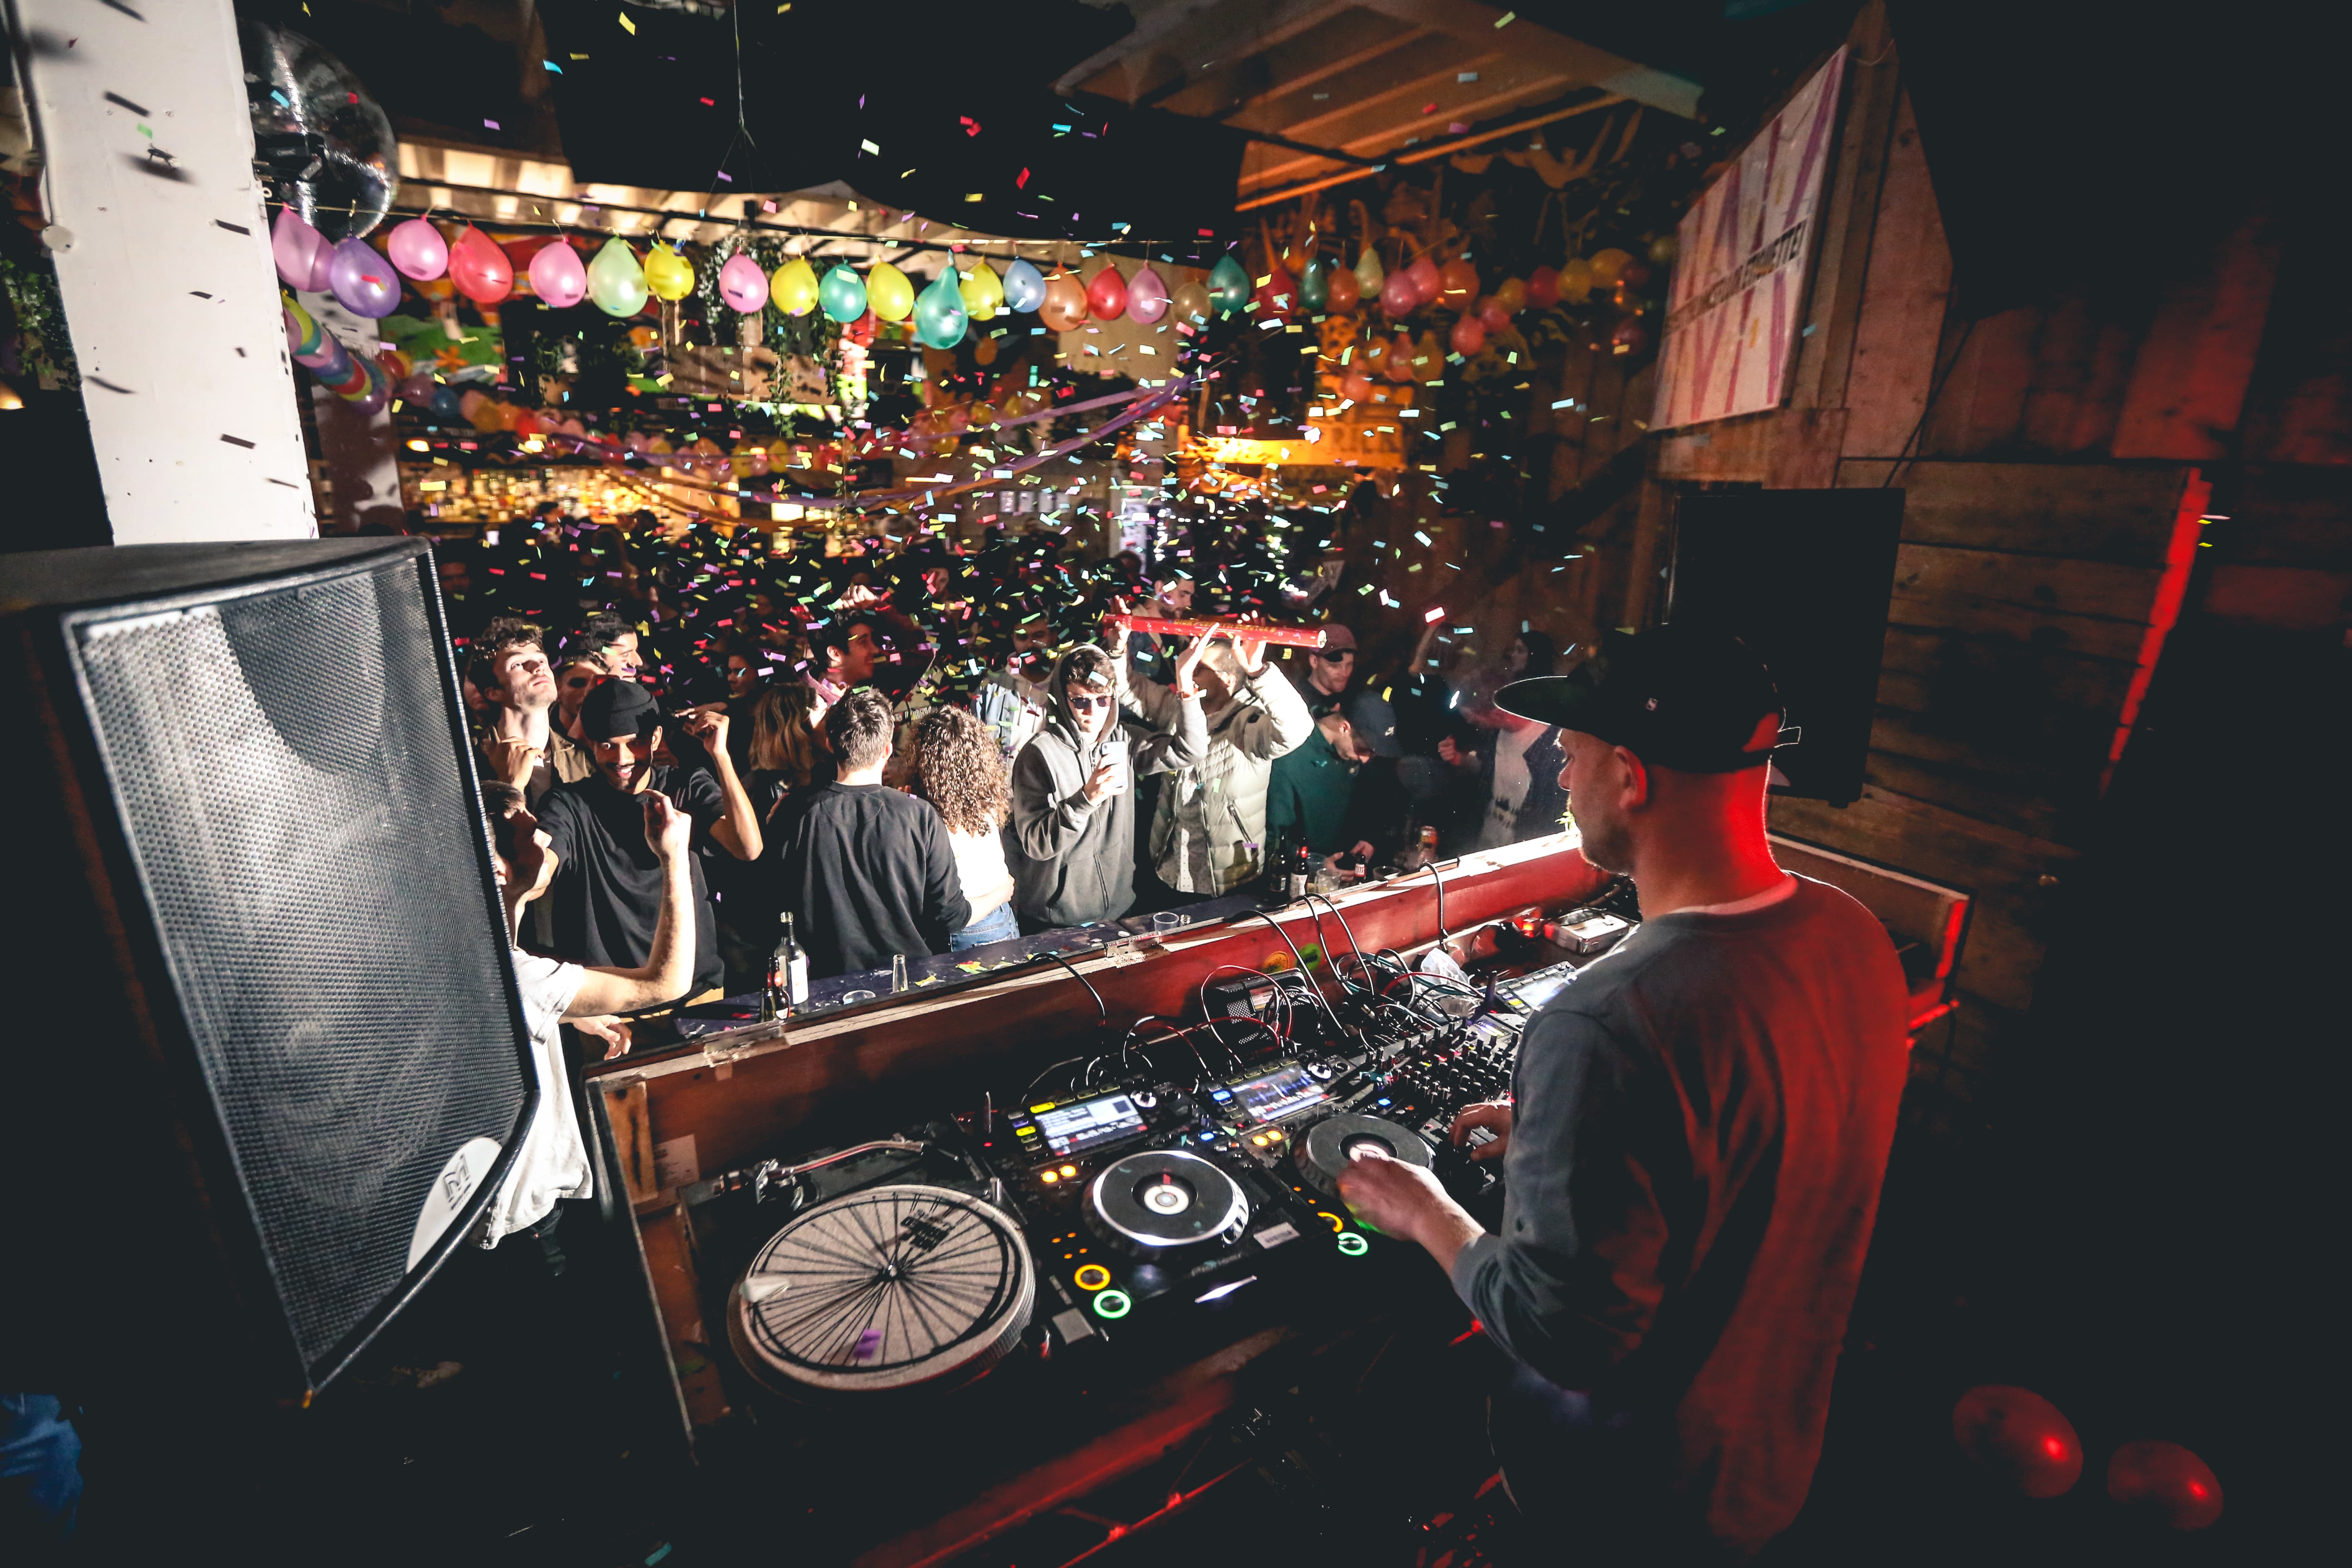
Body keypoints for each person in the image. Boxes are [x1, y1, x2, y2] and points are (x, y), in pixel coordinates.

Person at [1334, 626, 1911, 1563]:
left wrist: (1425, 1210)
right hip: (1774, 1446)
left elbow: (1560, 1336)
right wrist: (1563, 1132)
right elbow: (1757, 1129)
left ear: (1632, 778)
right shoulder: (1850, 934)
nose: (1561, 778)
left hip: (1627, 1498)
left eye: (1575, 755)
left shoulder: (1604, 1023)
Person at [473, 780, 698, 1261]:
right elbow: (665, 983)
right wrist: (674, 857)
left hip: (495, 1218)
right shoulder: (515, 976)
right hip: (522, 1230)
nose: (546, 836)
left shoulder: (474, 952)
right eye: (530, 834)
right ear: (498, 870)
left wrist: (564, 1016)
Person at [534, 679, 761, 1005]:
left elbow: (748, 847)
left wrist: (721, 757)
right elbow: (542, 870)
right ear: (592, 743)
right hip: (611, 1005)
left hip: (695, 993)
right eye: (608, 745)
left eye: (635, 742)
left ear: (655, 738)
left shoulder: (686, 786)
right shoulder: (569, 804)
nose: (622, 757)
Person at [1008, 638, 1207, 929]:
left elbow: (1190, 751)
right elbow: (1037, 844)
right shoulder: (1039, 753)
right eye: (1081, 701)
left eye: (1103, 700)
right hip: (1058, 918)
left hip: (1119, 906)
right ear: (1063, 698)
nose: (1093, 712)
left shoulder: (1122, 739)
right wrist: (1085, 800)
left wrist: (1186, 686)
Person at [769, 689, 969, 978]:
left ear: (830, 744)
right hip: (907, 981)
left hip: (822, 984)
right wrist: (1000, 893)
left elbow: (771, 904)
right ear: (887, 749)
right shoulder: (920, 816)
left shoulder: (794, 813)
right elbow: (950, 917)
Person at [1120, 625, 1314, 898]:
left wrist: (1259, 672)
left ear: (1228, 680)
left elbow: (1296, 729)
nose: (1186, 671)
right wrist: (1117, 649)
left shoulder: (1248, 722)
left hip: (1229, 875)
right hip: (1171, 868)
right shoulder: (1179, 709)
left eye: (1198, 668)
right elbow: (1128, 688)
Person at [912, 707, 1020, 951]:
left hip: (969, 927)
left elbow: (949, 913)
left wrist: (1002, 893)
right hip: (1000, 917)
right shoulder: (985, 801)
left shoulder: (937, 820)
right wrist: (1002, 892)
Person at [1265, 687, 1401, 869]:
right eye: (1363, 749)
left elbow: (1375, 805)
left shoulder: (1355, 755)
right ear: (1344, 727)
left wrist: (1370, 838)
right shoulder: (1291, 758)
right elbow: (1273, 838)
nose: (1366, 759)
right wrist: (1316, 865)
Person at [466, 617, 592, 809]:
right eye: (517, 664)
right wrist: (508, 786)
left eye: (542, 660)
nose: (538, 667)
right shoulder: (466, 760)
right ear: (494, 692)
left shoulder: (584, 762)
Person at [1294, 621, 1357, 719]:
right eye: (1335, 666)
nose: (1345, 673)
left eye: (1349, 665)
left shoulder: (1353, 701)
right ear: (1314, 662)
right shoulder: (1296, 703)